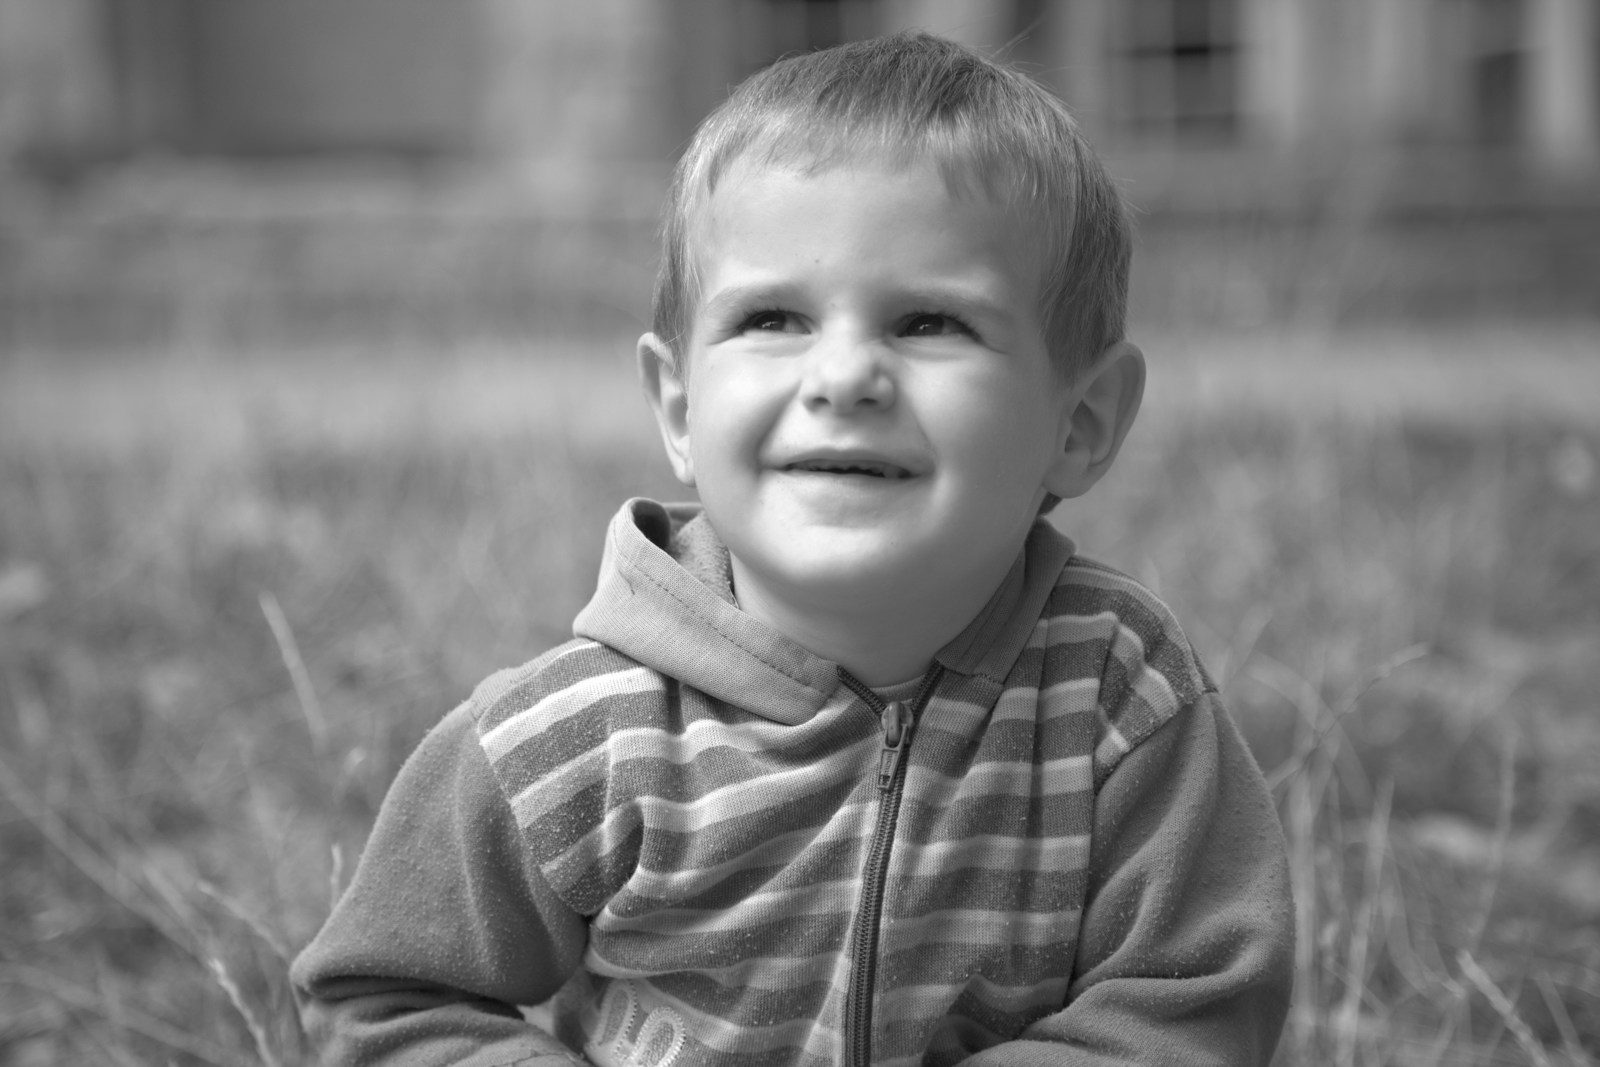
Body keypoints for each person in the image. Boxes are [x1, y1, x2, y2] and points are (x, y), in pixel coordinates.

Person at [291, 31, 1295, 1066]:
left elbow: (1196, 995)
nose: (844, 375)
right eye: (774, 317)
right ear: (679, 408)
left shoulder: (1117, 696)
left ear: (1078, 423)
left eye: (928, 321)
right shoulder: (578, 735)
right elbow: (384, 995)